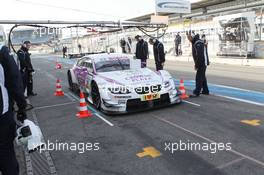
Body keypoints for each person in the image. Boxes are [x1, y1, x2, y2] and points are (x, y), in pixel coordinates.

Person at [0, 44, 27, 175]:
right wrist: (22, 106)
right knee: (7, 160)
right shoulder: (2, 51)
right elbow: (15, 80)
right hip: (2, 118)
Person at [187, 32, 210, 97]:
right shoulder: (195, 42)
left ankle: (197, 92)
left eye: (189, 38)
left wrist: (196, 65)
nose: (188, 39)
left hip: (202, 62)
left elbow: (199, 55)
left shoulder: (198, 43)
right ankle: (205, 90)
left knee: (198, 77)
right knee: (202, 77)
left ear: (192, 37)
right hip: (201, 62)